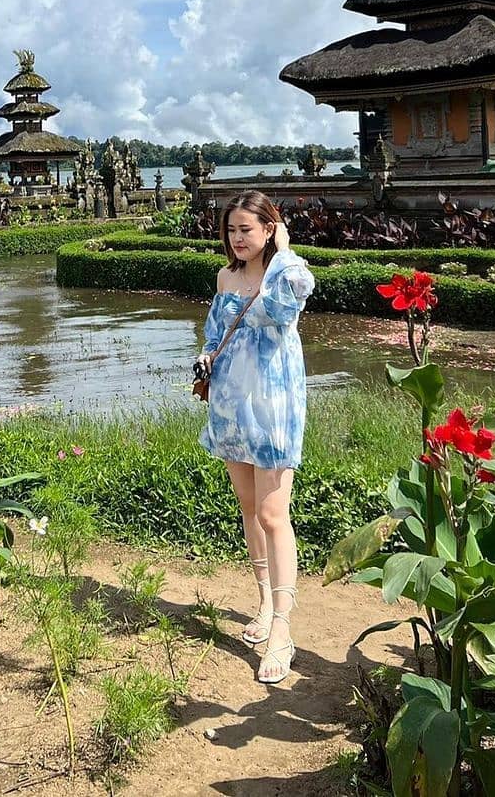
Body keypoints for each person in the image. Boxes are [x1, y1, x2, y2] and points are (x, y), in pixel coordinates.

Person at [195, 190, 314, 686]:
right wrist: (204, 357)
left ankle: (283, 631)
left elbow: (297, 294)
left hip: (274, 403)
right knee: (248, 509)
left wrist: (283, 247)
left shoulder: (285, 273)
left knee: (272, 513)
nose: (237, 238)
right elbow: (212, 332)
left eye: (247, 229)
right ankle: (264, 603)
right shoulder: (225, 276)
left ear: (268, 228)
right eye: (231, 230)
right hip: (230, 405)